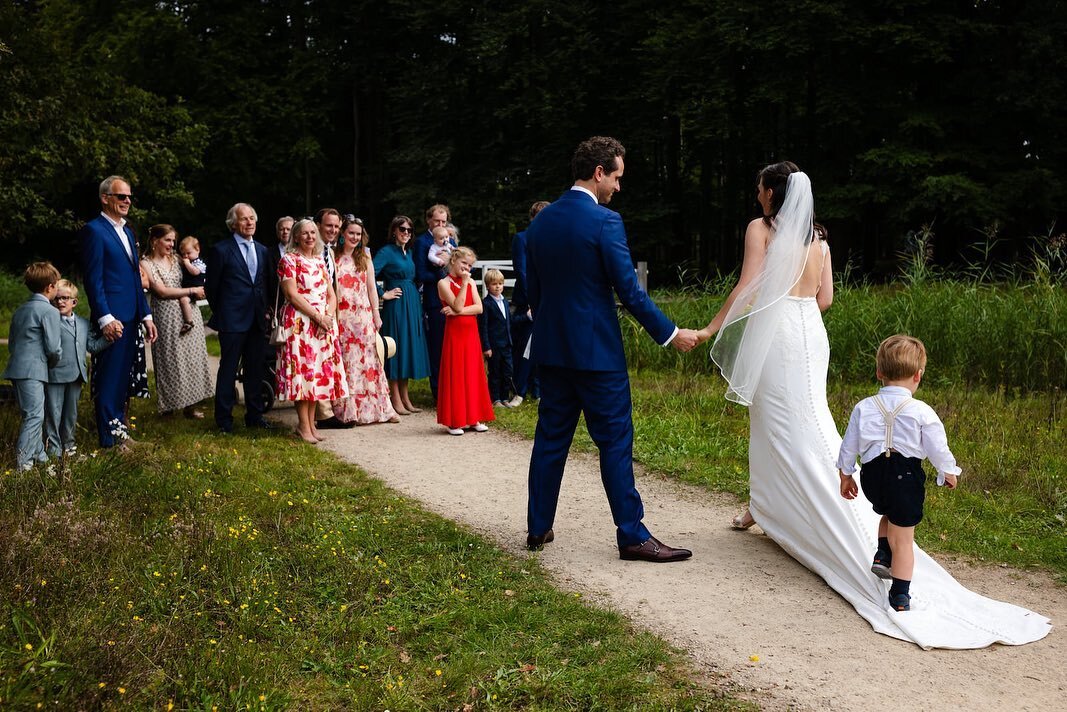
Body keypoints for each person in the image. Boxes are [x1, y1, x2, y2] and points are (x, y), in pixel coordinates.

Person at [697, 161, 1050, 648]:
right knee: (801, 420)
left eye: (759, 185)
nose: (756, 192)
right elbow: (825, 301)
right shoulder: (818, 240)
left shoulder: (760, 229)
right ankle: (762, 503)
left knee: (784, 425)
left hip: (778, 333)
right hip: (809, 335)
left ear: (771, 193)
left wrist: (710, 329)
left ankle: (801, 509)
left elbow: (747, 287)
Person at [524, 136, 699, 561]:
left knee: (550, 441)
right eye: (617, 177)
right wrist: (672, 333)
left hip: (551, 352)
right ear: (599, 172)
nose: (618, 188)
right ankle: (632, 536)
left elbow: (534, 292)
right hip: (597, 356)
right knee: (615, 443)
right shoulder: (605, 221)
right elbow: (630, 292)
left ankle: (538, 527)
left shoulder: (539, 224)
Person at [837, 335, 961, 612]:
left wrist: (846, 475)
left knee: (888, 512)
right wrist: (948, 471)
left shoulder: (864, 407)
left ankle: (882, 555)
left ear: (879, 372)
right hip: (905, 478)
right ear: (918, 376)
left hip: (872, 478)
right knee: (904, 539)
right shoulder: (921, 411)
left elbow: (849, 444)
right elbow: (937, 447)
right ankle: (901, 595)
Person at [275, 218, 348, 443]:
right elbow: (292, 295)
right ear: (296, 236)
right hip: (300, 323)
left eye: (313, 233)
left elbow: (331, 294)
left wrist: (327, 317)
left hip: (322, 323)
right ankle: (303, 426)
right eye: (304, 233)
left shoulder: (319, 260)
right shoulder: (288, 260)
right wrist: (317, 317)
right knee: (303, 373)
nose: (309, 237)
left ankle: (312, 425)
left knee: (317, 373)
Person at [205, 202, 272, 433]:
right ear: (233, 224)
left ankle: (254, 415)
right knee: (228, 369)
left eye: (252, 218)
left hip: (256, 320)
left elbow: (266, 284)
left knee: (255, 369)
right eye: (244, 219)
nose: (249, 222)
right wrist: (224, 311)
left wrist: (265, 310)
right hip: (232, 320)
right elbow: (211, 288)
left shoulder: (263, 250)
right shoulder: (221, 250)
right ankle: (223, 419)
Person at [331, 216, 399, 425]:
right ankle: (350, 411)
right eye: (351, 233)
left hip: (363, 317)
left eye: (358, 234)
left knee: (370, 362)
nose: (354, 237)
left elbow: (371, 288)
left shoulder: (365, 258)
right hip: (343, 317)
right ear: (342, 234)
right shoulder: (333, 257)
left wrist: (376, 314)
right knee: (349, 364)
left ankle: (381, 410)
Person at [143, 224, 214, 419]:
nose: (172, 244)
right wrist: (191, 291)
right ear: (155, 241)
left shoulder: (177, 259)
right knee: (170, 360)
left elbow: (197, 274)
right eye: (168, 240)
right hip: (166, 314)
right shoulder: (146, 263)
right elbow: (161, 291)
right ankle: (168, 407)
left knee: (192, 358)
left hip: (189, 312)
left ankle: (191, 406)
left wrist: (201, 288)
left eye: (173, 240)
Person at [4, 262, 62, 470]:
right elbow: (54, 348)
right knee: (35, 416)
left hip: (17, 368)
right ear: (49, 287)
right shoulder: (49, 311)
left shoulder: (20, 310)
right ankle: (24, 464)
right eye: (56, 285)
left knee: (31, 414)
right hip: (34, 370)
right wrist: (53, 365)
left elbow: (12, 343)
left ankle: (40, 456)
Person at [45, 279, 110, 458]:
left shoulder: (82, 323)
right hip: (55, 374)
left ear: (74, 302)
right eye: (56, 299)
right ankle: (53, 450)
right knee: (53, 413)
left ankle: (69, 448)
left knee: (70, 415)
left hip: (76, 375)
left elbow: (92, 346)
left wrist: (109, 338)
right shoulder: (51, 321)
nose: (60, 302)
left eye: (65, 298)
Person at [373, 215, 431, 415]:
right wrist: (383, 294)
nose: (406, 233)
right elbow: (368, 274)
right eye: (402, 229)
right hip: (396, 306)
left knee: (407, 348)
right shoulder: (386, 252)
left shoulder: (410, 252)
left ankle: (406, 398)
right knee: (396, 347)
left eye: (409, 230)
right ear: (394, 231)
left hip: (412, 304)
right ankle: (394, 398)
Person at [436, 247, 495, 435]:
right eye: (464, 263)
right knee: (456, 373)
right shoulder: (443, 283)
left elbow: (479, 308)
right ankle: (455, 421)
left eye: (470, 265)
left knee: (472, 373)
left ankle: (473, 417)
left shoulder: (470, 282)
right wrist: (463, 285)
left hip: (470, 333)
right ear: (453, 260)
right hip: (455, 334)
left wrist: (456, 311)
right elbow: (459, 304)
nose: (467, 268)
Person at [509, 200, 549, 408]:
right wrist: (534, 301)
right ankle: (519, 391)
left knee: (541, 346)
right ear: (533, 217)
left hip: (548, 301)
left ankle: (538, 390)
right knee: (524, 347)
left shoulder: (552, 239)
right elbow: (522, 272)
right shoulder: (521, 239)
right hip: (528, 302)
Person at [413, 203, 453, 400]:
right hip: (434, 300)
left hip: (452, 300)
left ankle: (452, 388)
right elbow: (420, 273)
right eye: (436, 220)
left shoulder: (449, 239)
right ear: (428, 220)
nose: (440, 224)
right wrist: (442, 273)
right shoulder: (423, 242)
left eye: (443, 221)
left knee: (451, 346)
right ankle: (438, 392)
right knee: (437, 346)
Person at [313, 208, 345, 429]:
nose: (333, 230)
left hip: (329, 310)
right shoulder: (310, 249)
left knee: (327, 361)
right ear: (318, 225)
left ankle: (326, 410)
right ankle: (321, 413)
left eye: (336, 226)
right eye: (328, 226)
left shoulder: (330, 252)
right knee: (315, 361)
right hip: (312, 312)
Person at [478, 268, 514, 406]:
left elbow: (509, 321)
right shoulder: (486, 304)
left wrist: (526, 317)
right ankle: (495, 398)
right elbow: (484, 327)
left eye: (500, 283)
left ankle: (505, 397)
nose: (498, 286)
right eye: (494, 284)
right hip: (494, 345)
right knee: (495, 373)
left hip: (507, 344)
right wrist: (486, 346)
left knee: (507, 371)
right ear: (487, 286)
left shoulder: (505, 302)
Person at [177, 236, 207, 335]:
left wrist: (187, 263)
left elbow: (195, 272)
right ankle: (188, 320)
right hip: (189, 289)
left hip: (198, 288)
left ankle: (188, 322)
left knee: (184, 300)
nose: (186, 256)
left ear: (197, 250)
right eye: (183, 254)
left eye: (188, 253)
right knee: (184, 300)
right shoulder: (188, 262)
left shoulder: (199, 263)